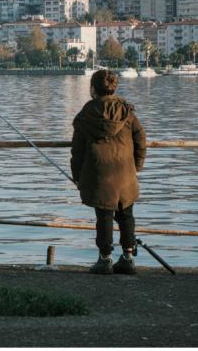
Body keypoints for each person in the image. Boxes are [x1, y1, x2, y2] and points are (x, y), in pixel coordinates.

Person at [70, 69, 146, 275]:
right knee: (126, 214)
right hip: (125, 173)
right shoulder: (127, 113)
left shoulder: (85, 116)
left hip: (98, 174)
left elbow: (77, 152)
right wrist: (136, 166)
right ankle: (128, 257)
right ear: (114, 87)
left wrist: (77, 176)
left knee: (103, 216)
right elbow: (141, 140)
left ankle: (105, 259)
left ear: (93, 89)